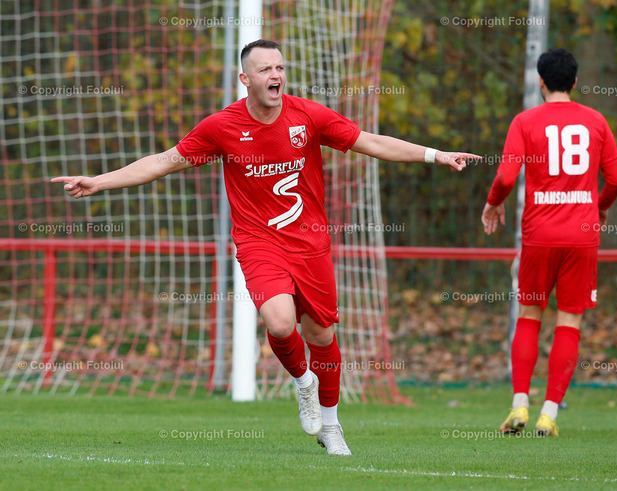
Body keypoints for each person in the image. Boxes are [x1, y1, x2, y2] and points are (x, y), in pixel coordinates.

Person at [53, 39, 480, 455]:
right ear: (246, 78)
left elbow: (371, 142)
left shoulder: (308, 115)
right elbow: (165, 161)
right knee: (278, 322)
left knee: (321, 335)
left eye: (279, 67)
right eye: (265, 69)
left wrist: (435, 155)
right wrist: (99, 182)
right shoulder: (221, 126)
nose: (276, 75)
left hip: (310, 243)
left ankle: (331, 426)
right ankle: (304, 383)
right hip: (258, 242)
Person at [481, 48, 617, 437]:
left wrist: (493, 203)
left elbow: (506, 177)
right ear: (575, 82)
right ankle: (548, 414)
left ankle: (519, 405)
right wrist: (599, 207)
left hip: (539, 235)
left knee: (529, 314)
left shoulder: (525, 121)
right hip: (582, 235)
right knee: (570, 319)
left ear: (540, 82)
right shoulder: (596, 121)